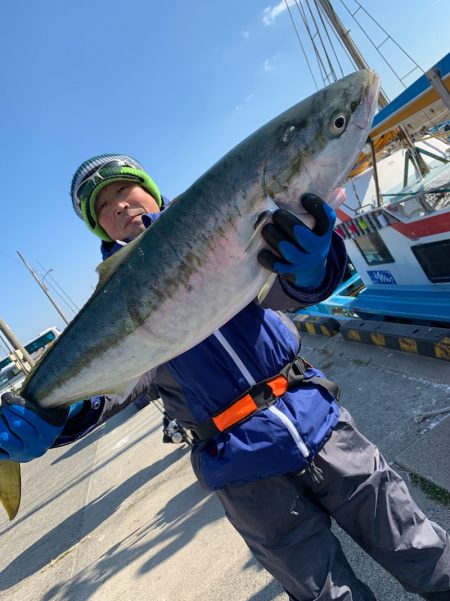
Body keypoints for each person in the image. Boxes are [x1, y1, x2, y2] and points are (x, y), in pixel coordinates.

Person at [1, 154, 449, 601]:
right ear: (101, 230)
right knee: (327, 596)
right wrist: (57, 415)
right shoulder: (114, 304)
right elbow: (116, 387)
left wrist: (313, 263)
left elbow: (290, 289)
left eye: (123, 189)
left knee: (418, 546)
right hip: (243, 471)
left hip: (323, 423)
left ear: (150, 188)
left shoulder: (229, 231)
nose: (117, 206)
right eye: (102, 208)